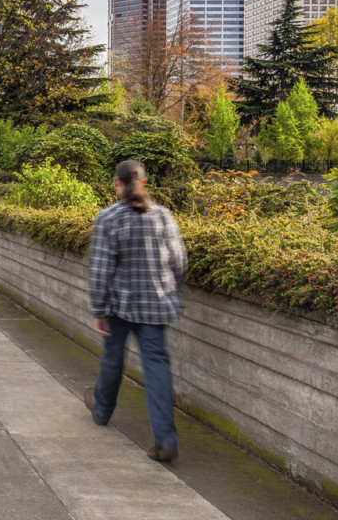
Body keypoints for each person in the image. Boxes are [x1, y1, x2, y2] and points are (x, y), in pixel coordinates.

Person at [84, 159, 188, 463]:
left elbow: (100, 270)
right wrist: (171, 290)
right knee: (156, 367)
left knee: (113, 357)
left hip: (120, 306)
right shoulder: (163, 216)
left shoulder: (108, 218)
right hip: (157, 305)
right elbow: (179, 262)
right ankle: (165, 441)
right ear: (143, 183)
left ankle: (102, 410)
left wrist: (99, 309)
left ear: (117, 183)